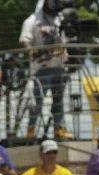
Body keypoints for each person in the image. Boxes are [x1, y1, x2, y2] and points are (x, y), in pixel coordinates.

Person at [19, 0, 70, 140]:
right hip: (41, 69)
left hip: (58, 66)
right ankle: (31, 131)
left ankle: (59, 129)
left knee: (58, 101)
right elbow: (24, 40)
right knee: (37, 103)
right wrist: (34, 53)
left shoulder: (60, 20)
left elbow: (64, 39)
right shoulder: (32, 21)